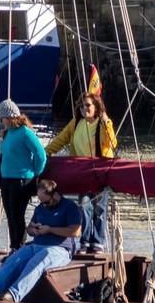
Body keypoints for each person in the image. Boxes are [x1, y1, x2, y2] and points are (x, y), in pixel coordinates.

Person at [0, 179, 81, 302]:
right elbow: (29, 228)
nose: (43, 205)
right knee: (15, 259)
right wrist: (33, 230)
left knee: (38, 260)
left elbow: (75, 231)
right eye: (41, 202)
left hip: (60, 248)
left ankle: (13, 295)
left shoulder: (70, 207)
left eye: (46, 202)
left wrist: (50, 230)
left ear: (55, 195)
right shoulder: (40, 208)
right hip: (36, 244)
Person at [44, 90, 118, 254]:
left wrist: (107, 124)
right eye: (82, 106)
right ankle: (85, 242)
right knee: (84, 206)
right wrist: (45, 153)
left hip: (101, 172)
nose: (84, 109)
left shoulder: (102, 123)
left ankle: (97, 242)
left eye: (88, 105)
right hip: (82, 173)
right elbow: (61, 140)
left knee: (99, 208)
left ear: (96, 107)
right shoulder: (76, 122)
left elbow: (112, 142)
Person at [0, 99, 47, 251]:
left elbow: (40, 154)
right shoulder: (8, 134)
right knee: (10, 215)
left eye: (3, 118)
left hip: (21, 180)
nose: (1, 121)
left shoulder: (25, 133)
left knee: (17, 215)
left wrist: (36, 173)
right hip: (6, 179)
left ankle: (19, 246)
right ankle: (14, 247)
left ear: (9, 117)